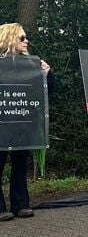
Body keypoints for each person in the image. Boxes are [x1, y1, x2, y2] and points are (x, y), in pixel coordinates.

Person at [0, 23, 52, 220]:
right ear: (10, 38)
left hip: (23, 122)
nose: (26, 41)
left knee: (21, 164)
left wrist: (46, 76)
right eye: (22, 38)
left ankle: (20, 204)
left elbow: (46, 95)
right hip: (2, 123)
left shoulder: (32, 64)